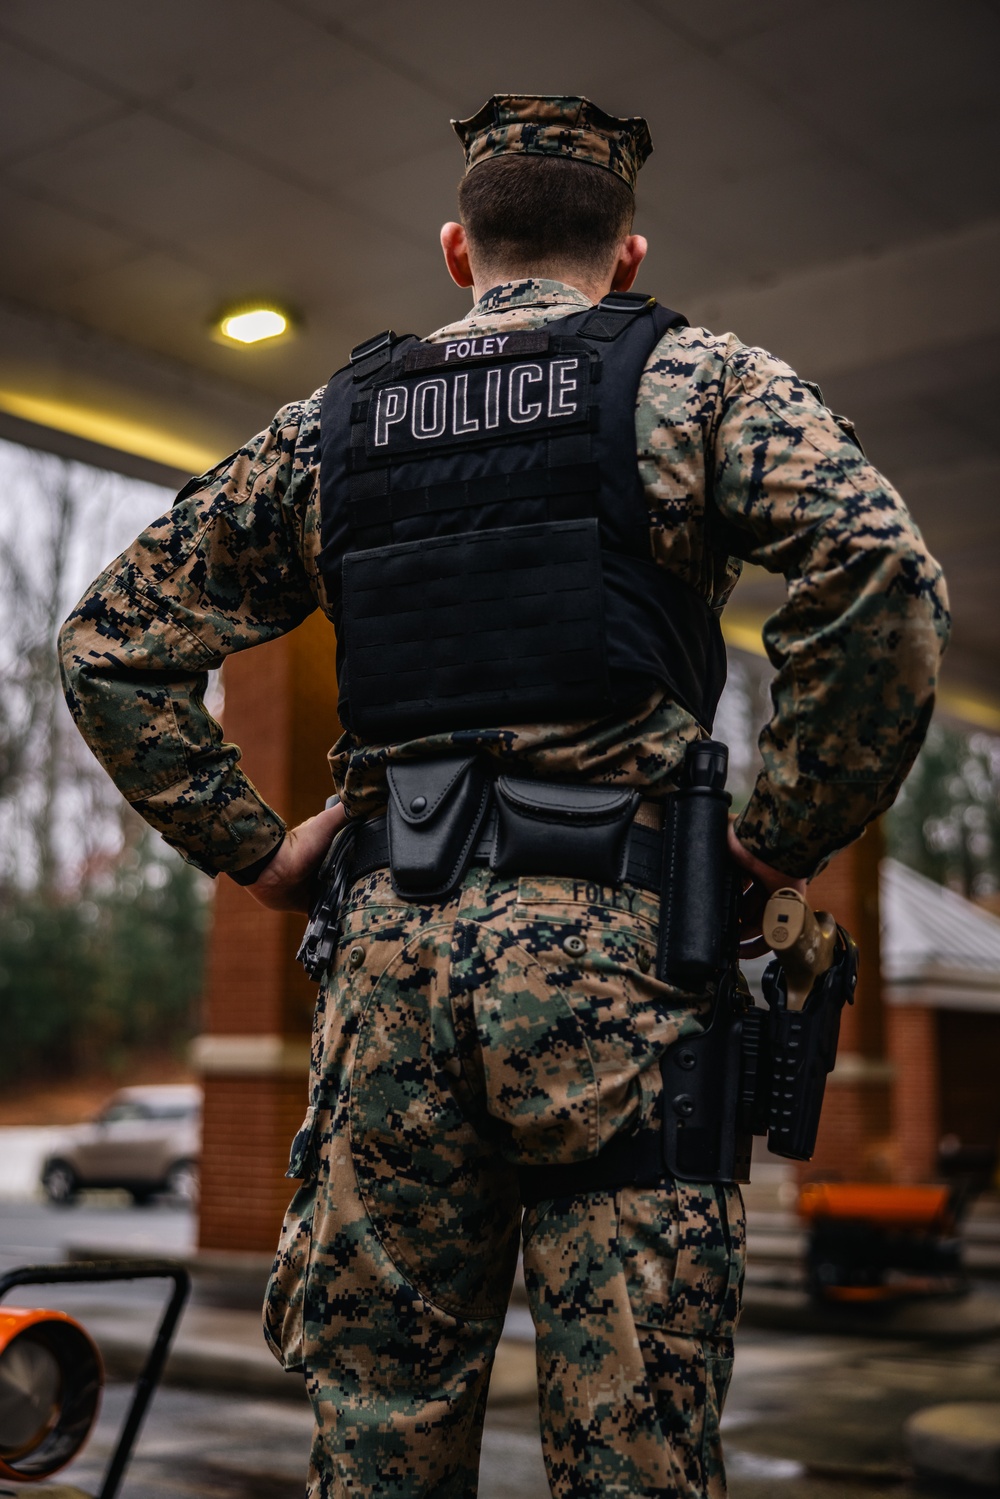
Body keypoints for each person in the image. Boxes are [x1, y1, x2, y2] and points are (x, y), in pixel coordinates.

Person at [60, 94, 949, 1499]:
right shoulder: (694, 382)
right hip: (624, 974)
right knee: (633, 1452)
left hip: (386, 976)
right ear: (631, 256)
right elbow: (882, 575)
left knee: (379, 1433)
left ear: (458, 253)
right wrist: (777, 843)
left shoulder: (333, 426)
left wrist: (257, 848)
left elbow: (109, 645)